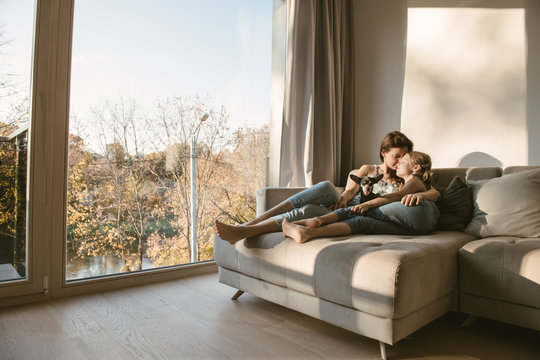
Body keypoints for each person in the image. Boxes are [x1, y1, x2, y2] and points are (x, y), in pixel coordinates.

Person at [215, 131, 441, 244]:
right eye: (396, 156)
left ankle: (245, 231)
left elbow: (430, 190)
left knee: (303, 213)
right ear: (384, 152)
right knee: (325, 187)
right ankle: (252, 222)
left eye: (403, 157)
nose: (399, 160)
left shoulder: (404, 179)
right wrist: (342, 199)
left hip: (353, 216)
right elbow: (349, 192)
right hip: (343, 207)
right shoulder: (367, 169)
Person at [282, 151, 439, 243]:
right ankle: (308, 233)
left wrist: (367, 204)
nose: (398, 164)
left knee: (359, 211)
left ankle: (317, 220)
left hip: (419, 213)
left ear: (416, 167)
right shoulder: (414, 183)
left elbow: (396, 196)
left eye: (403, 161)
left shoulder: (414, 181)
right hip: (418, 227)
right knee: (363, 223)